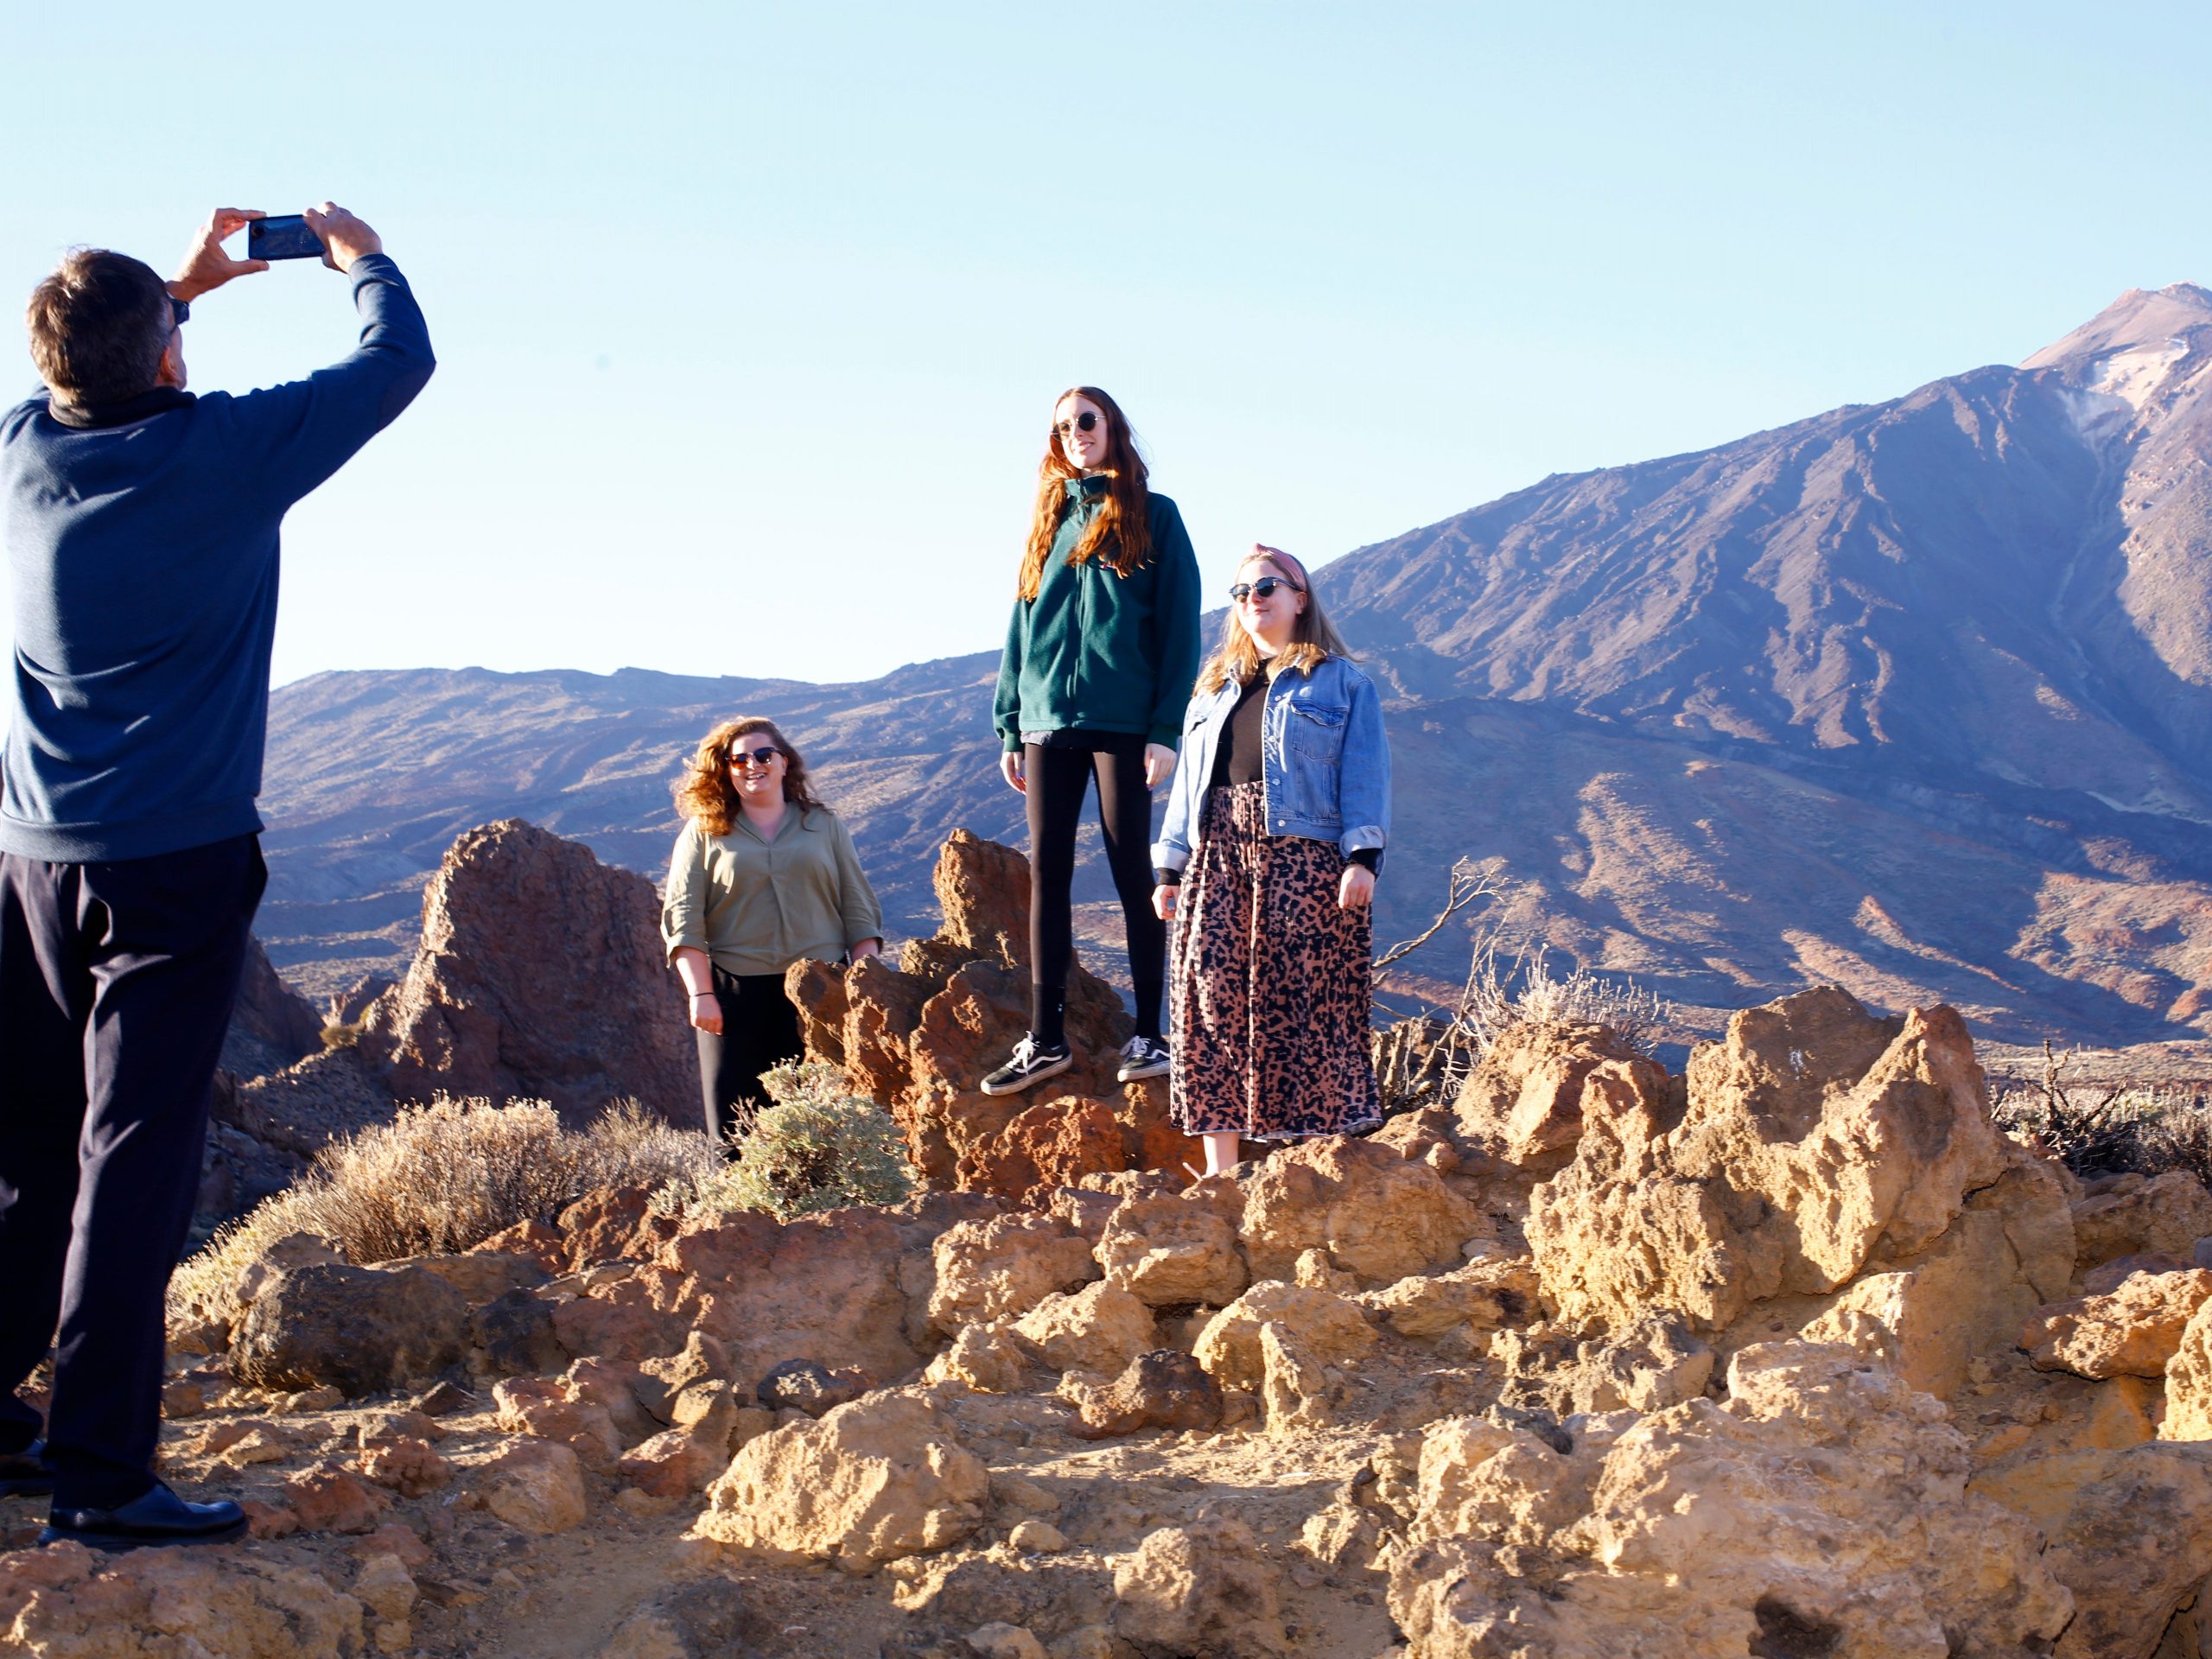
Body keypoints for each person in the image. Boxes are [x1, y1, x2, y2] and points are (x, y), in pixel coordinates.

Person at [0, 206, 435, 1548]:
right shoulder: (222, 452)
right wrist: (359, 255)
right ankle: (103, 1479)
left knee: (26, 1149)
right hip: (173, 865)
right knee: (133, 1160)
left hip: (29, 862)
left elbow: (72, 379)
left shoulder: (22, 455)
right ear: (168, 358)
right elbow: (394, 363)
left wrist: (171, 296)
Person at [986, 386, 1201, 1096]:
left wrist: (1165, 729)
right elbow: (1021, 628)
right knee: (1048, 870)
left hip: (1124, 724)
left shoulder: (1154, 517)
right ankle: (1046, 1039)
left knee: (1129, 868)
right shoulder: (1046, 523)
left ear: (1113, 429)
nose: (1076, 433)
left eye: (1088, 420)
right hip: (1047, 721)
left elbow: (1178, 631)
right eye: (1064, 426)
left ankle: (1150, 1034)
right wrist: (1011, 722)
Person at [1153, 545, 1389, 1175]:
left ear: (1299, 598)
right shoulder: (1209, 691)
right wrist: (1169, 868)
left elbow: (1365, 775)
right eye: (1241, 591)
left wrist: (1361, 859)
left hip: (1304, 862)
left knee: (1308, 1007)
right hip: (1217, 858)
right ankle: (1222, 1175)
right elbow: (1188, 789)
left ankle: (1312, 1171)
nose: (1253, 599)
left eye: (1267, 587)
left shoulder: (1342, 682)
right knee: (1211, 1003)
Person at [662, 717, 883, 1149]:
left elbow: (858, 906)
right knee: (735, 1132)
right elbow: (683, 918)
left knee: (826, 1126)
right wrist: (700, 994)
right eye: (738, 759)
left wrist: (867, 981)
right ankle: (744, 1217)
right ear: (725, 769)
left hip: (821, 994)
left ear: (785, 763)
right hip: (733, 997)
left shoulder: (824, 826)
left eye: (763, 755)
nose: (752, 765)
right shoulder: (704, 832)